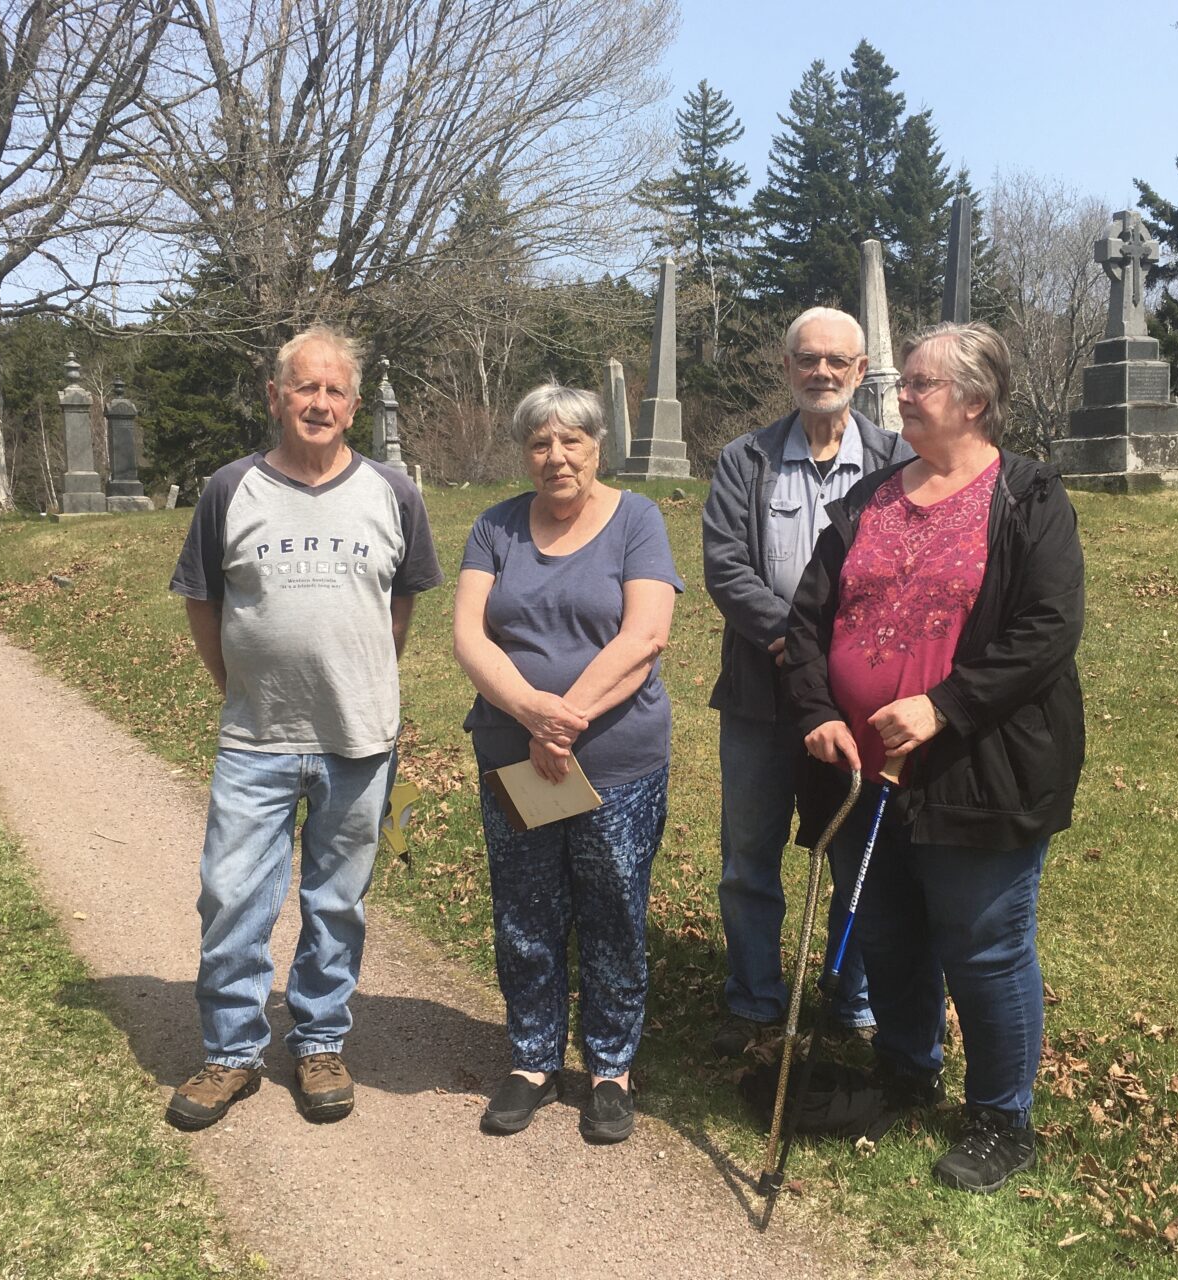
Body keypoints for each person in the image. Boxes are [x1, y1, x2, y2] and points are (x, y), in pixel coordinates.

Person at [783, 321, 1085, 1193]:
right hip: (859, 769)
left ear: (974, 402)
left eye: (919, 383)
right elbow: (806, 622)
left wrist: (945, 707)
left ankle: (1001, 1116)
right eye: (905, 382)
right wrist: (815, 712)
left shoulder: (1027, 498)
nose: (901, 395)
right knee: (886, 928)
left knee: (984, 945)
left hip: (976, 768)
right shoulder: (868, 501)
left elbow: (1047, 631)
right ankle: (905, 1071)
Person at [166, 326, 443, 1130]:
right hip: (256, 739)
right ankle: (230, 1054)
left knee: (338, 901)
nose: (319, 403)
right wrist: (242, 688)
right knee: (231, 896)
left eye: (334, 391)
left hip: (359, 740)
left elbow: (402, 605)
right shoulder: (229, 489)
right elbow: (202, 601)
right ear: (275, 397)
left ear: (353, 405)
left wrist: (358, 684)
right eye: (304, 387)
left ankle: (320, 1039)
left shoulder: (395, 493)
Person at [453, 385, 682, 1145]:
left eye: (571, 442)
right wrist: (530, 714)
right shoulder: (495, 527)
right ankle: (531, 1062)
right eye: (540, 444)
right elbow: (470, 639)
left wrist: (563, 717)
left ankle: (611, 1068)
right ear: (526, 454)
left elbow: (646, 635)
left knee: (613, 910)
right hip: (514, 755)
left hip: (615, 762)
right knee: (526, 910)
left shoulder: (638, 520)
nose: (556, 458)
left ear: (597, 446)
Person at [703, 306, 914, 1060]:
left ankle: (851, 997)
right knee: (749, 854)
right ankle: (756, 999)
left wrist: (845, 657)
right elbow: (726, 566)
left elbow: (907, 575)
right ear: (787, 368)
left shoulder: (897, 460)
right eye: (807, 359)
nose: (821, 372)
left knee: (859, 849)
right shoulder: (746, 459)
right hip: (761, 696)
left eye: (837, 361)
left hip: (860, 699)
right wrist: (797, 645)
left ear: (860, 373)